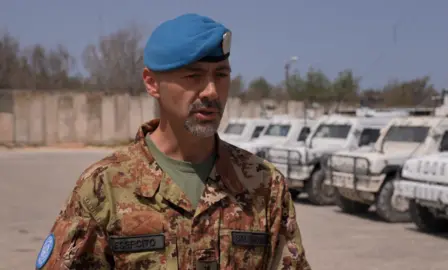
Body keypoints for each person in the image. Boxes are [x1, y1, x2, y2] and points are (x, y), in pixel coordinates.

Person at [35, 13, 311, 270]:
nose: (212, 91)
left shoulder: (264, 185)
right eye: (194, 76)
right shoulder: (104, 187)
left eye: (221, 75)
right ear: (152, 83)